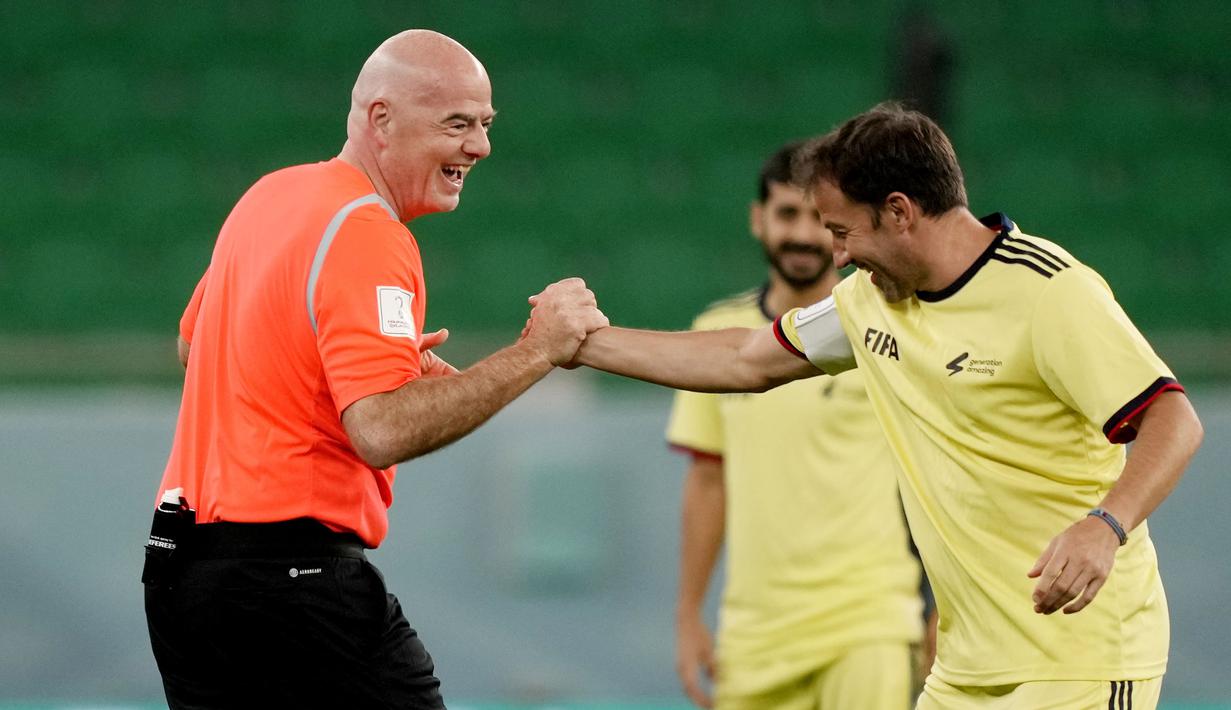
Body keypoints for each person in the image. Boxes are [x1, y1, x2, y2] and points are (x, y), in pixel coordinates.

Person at [574, 103, 1203, 709]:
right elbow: (744, 359)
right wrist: (580, 344)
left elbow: (1173, 418)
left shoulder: (1050, 291)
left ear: (899, 211)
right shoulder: (868, 302)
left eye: (844, 232)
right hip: (968, 671)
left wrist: (1106, 525)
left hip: (1080, 661)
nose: (839, 256)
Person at [142, 30, 606, 709]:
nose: (479, 146)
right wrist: (536, 350)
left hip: (182, 574)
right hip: (288, 577)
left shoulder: (270, 195)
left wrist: (329, 356)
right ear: (380, 120)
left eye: (483, 124)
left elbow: (196, 347)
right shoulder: (369, 230)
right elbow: (381, 430)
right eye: (456, 123)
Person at [667, 143, 927, 710]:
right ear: (758, 219)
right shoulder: (718, 333)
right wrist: (688, 615)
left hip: (867, 623)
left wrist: (941, 612)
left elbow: (934, 476)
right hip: (755, 636)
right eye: (788, 214)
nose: (804, 235)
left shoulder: (884, 326)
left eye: (818, 218)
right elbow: (708, 482)